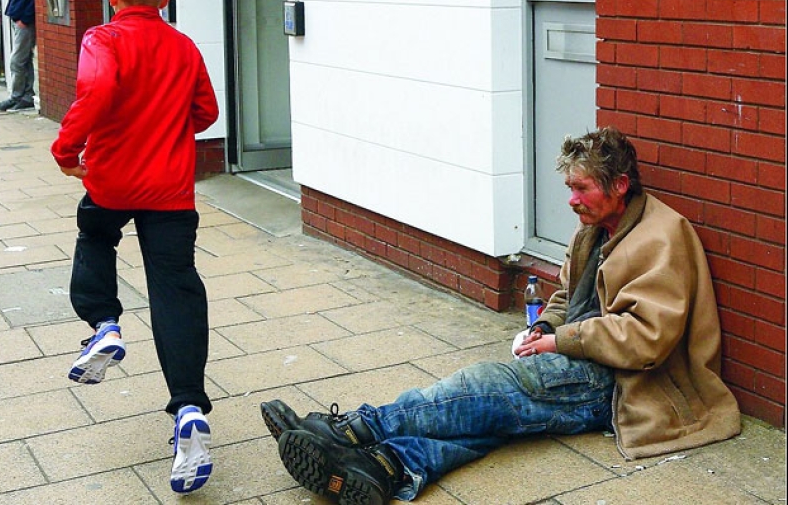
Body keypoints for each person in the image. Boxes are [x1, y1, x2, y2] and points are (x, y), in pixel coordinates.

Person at [260, 128, 741, 504]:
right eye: (568, 186)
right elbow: (565, 294)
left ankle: (358, 429)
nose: (571, 198)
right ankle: (388, 467)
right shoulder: (591, 230)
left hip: (626, 386)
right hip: (586, 362)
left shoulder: (662, 236)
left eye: (581, 187)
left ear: (620, 185)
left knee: (487, 388)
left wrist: (561, 341)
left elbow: (645, 340)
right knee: (495, 419)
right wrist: (544, 327)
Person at [50, 0, 219, 495]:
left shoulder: (102, 38)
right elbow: (206, 113)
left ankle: (104, 324)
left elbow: (95, 90)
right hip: (170, 190)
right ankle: (189, 410)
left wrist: (67, 150)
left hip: (112, 180)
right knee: (176, 290)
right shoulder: (183, 45)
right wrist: (165, 125)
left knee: (95, 235)